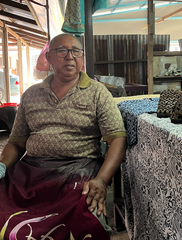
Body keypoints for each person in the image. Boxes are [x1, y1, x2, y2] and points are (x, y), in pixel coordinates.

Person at [0, 33, 127, 240]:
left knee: (83, 224)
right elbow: (16, 142)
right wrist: (2, 165)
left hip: (78, 171)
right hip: (32, 172)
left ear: (82, 58)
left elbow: (118, 140)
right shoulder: (31, 94)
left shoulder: (97, 92)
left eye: (75, 51)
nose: (70, 56)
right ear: (48, 58)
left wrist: (102, 180)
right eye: (62, 51)